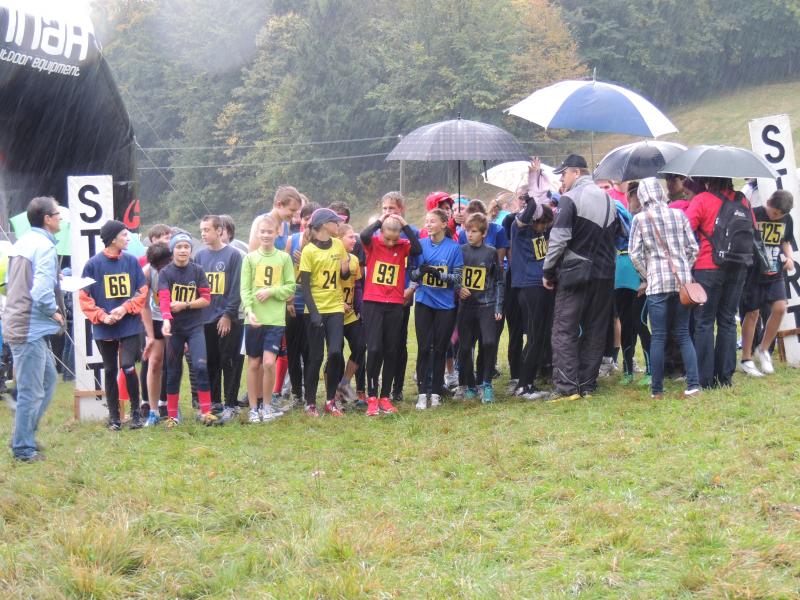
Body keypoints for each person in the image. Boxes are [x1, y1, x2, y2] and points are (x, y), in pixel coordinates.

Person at [542, 154, 617, 400]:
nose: (562, 180)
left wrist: (548, 270)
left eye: (563, 174)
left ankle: (566, 387)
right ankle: (586, 384)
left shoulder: (570, 198)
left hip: (575, 273)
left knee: (564, 329)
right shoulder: (609, 200)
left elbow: (559, 239)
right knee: (596, 329)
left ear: (576, 172)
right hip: (605, 274)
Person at [628, 178, 701, 399]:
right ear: (660, 193)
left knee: (658, 336)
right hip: (681, 283)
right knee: (683, 334)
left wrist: (647, 274)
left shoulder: (640, 219)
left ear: (642, 196)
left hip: (657, 283)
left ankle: (657, 390)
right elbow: (693, 248)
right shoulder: (679, 215)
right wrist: (684, 268)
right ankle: (693, 385)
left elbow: (634, 254)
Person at [4, 196, 64, 461]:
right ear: (47, 219)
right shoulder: (45, 246)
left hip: (22, 323)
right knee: (31, 391)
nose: (60, 218)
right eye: (57, 214)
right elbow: (39, 292)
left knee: (48, 380)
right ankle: (23, 448)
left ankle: (24, 433)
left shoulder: (23, 242)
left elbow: (13, 281)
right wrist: (54, 311)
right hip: (28, 327)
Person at [79, 220, 148, 430]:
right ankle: (114, 417)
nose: (128, 239)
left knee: (128, 366)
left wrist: (126, 308)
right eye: (124, 235)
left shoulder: (131, 261)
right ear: (112, 239)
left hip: (129, 324)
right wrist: (102, 316)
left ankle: (136, 413)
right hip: (105, 326)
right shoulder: (92, 265)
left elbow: (142, 291)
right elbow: (84, 297)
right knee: (109, 370)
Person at [686, 177, 754, 388]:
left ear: (708, 180)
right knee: (727, 320)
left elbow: (686, 229)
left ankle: (704, 378)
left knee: (704, 322)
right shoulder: (743, 201)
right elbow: (753, 230)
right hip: (738, 266)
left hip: (708, 266)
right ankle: (725, 377)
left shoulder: (702, 199)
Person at [360, 212, 421, 415]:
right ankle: (372, 396)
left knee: (391, 350)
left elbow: (418, 249)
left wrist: (405, 225)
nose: (391, 242)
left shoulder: (402, 246)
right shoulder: (373, 243)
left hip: (395, 304)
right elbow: (363, 235)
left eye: (395, 238)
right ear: (381, 232)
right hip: (373, 303)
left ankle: (385, 396)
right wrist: (381, 219)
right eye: (387, 237)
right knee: (374, 349)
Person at [241, 214, 296, 422]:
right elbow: (245, 289)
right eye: (262, 231)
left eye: (269, 231)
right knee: (254, 363)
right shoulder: (250, 259)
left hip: (275, 320)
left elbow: (290, 287)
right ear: (257, 233)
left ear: (277, 233)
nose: (265, 235)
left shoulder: (284, 258)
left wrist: (271, 292)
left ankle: (266, 405)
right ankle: (253, 408)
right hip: (254, 319)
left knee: (269, 363)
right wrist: (249, 311)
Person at [158, 232, 217, 426]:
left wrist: (185, 305)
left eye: (186, 247)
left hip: (194, 327)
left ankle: (206, 412)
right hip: (174, 329)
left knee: (200, 366)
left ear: (191, 250)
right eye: (179, 247)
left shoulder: (198, 271)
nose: (183, 250)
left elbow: (206, 299)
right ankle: (172, 416)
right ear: (172, 250)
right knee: (173, 371)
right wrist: (166, 319)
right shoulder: (165, 273)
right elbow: (164, 299)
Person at [299, 208, 351, 416]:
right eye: (335, 222)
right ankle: (310, 402)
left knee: (336, 353)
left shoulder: (338, 244)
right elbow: (304, 286)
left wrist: (346, 267)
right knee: (316, 356)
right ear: (323, 225)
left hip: (336, 307)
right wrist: (314, 313)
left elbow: (343, 276)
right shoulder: (309, 251)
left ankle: (330, 400)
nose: (338, 225)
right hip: (315, 309)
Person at [411, 208, 463, 410]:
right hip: (424, 302)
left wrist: (438, 275)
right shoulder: (421, 245)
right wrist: (420, 271)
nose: (428, 225)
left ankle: (436, 392)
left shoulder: (454, 248)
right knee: (424, 348)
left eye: (432, 221)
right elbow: (412, 275)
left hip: (445, 305)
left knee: (440, 348)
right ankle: (422, 392)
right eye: (426, 221)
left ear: (443, 224)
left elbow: (457, 279)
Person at [740, 190, 795, 377]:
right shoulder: (754, 214)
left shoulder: (787, 219)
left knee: (780, 308)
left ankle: (763, 349)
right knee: (752, 313)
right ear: (769, 203)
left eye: (780, 215)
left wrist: (789, 258)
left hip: (775, 271)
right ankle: (746, 358)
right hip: (753, 273)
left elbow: (786, 240)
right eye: (774, 213)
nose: (775, 217)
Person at [196, 215, 243, 422]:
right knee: (211, 362)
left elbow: (236, 288)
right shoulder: (199, 256)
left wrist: (228, 315)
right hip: (205, 319)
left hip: (227, 319)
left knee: (229, 361)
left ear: (219, 230)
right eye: (201, 230)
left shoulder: (233, 255)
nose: (203, 234)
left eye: (207, 230)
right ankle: (214, 403)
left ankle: (231, 404)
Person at [510, 191, 555, 400]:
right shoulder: (519, 228)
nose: (544, 228)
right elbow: (526, 216)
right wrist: (530, 200)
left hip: (541, 286)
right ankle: (523, 385)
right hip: (528, 287)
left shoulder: (539, 234)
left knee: (540, 337)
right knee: (534, 337)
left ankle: (529, 382)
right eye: (542, 223)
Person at [456, 213, 504, 402]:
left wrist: (498, 306)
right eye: (468, 231)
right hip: (466, 306)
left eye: (474, 231)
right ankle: (470, 385)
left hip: (486, 305)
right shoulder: (460, 251)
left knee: (489, 342)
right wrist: (459, 288)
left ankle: (487, 384)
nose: (470, 234)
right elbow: (454, 276)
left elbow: (499, 281)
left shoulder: (491, 252)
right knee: (465, 347)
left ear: (483, 233)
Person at [378, 191, 420, 404]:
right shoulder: (377, 231)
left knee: (398, 342)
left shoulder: (412, 232)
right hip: (379, 297)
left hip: (402, 295)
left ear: (401, 209)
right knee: (379, 342)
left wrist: (411, 288)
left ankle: (398, 387)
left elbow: (417, 263)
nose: (388, 212)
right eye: (385, 208)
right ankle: (379, 384)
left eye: (392, 208)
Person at [283, 202, 319, 407]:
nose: (309, 223)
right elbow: (284, 270)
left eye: (313, 220)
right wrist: (288, 299)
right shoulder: (292, 240)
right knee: (293, 350)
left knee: (311, 350)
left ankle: (309, 394)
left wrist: (308, 258)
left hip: (313, 302)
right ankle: (297, 393)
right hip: (294, 301)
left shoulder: (324, 243)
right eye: (306, 219)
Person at [141, 241, 172, 425]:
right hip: (156, 318)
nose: (161, 271)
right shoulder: (147, 272)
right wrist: (150, 335)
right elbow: (144, 305)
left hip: (176, 317)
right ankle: (153, 411)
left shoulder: (178, 268)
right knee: (154, 363)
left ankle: (172, 407)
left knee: (173, 363)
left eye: (163, 267)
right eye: (157, 268)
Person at [336, 224, 365, 405]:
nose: (355, 240)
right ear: (339, 239)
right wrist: (338, 302)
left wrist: (360, 308)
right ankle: (334, 396)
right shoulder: (332, 259)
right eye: (350, 237)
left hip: (351, 314)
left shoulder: (354, 259)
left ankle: (345, 383)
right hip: (334, 314)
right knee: (335, 353)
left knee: (360, 346)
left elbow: (358, 286)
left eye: (355, 237)